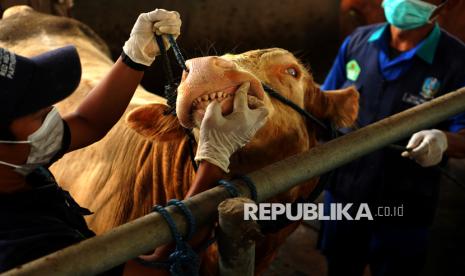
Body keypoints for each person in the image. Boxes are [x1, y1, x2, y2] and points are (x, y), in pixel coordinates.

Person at [0, 8, 268, 274]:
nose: (54, 115)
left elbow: (87, 121)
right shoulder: (25, 249)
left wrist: (134, 56)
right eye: (40, 113)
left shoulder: (16, 161)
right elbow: (155, 271)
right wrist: (214, 160)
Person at [318, 0, 465, 275]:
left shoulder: (457, 60)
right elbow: (323, 106)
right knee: (339, 266)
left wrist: (443, 140)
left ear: (441, 5)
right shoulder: (357, 41)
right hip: (344, 194)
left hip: (405, 203)